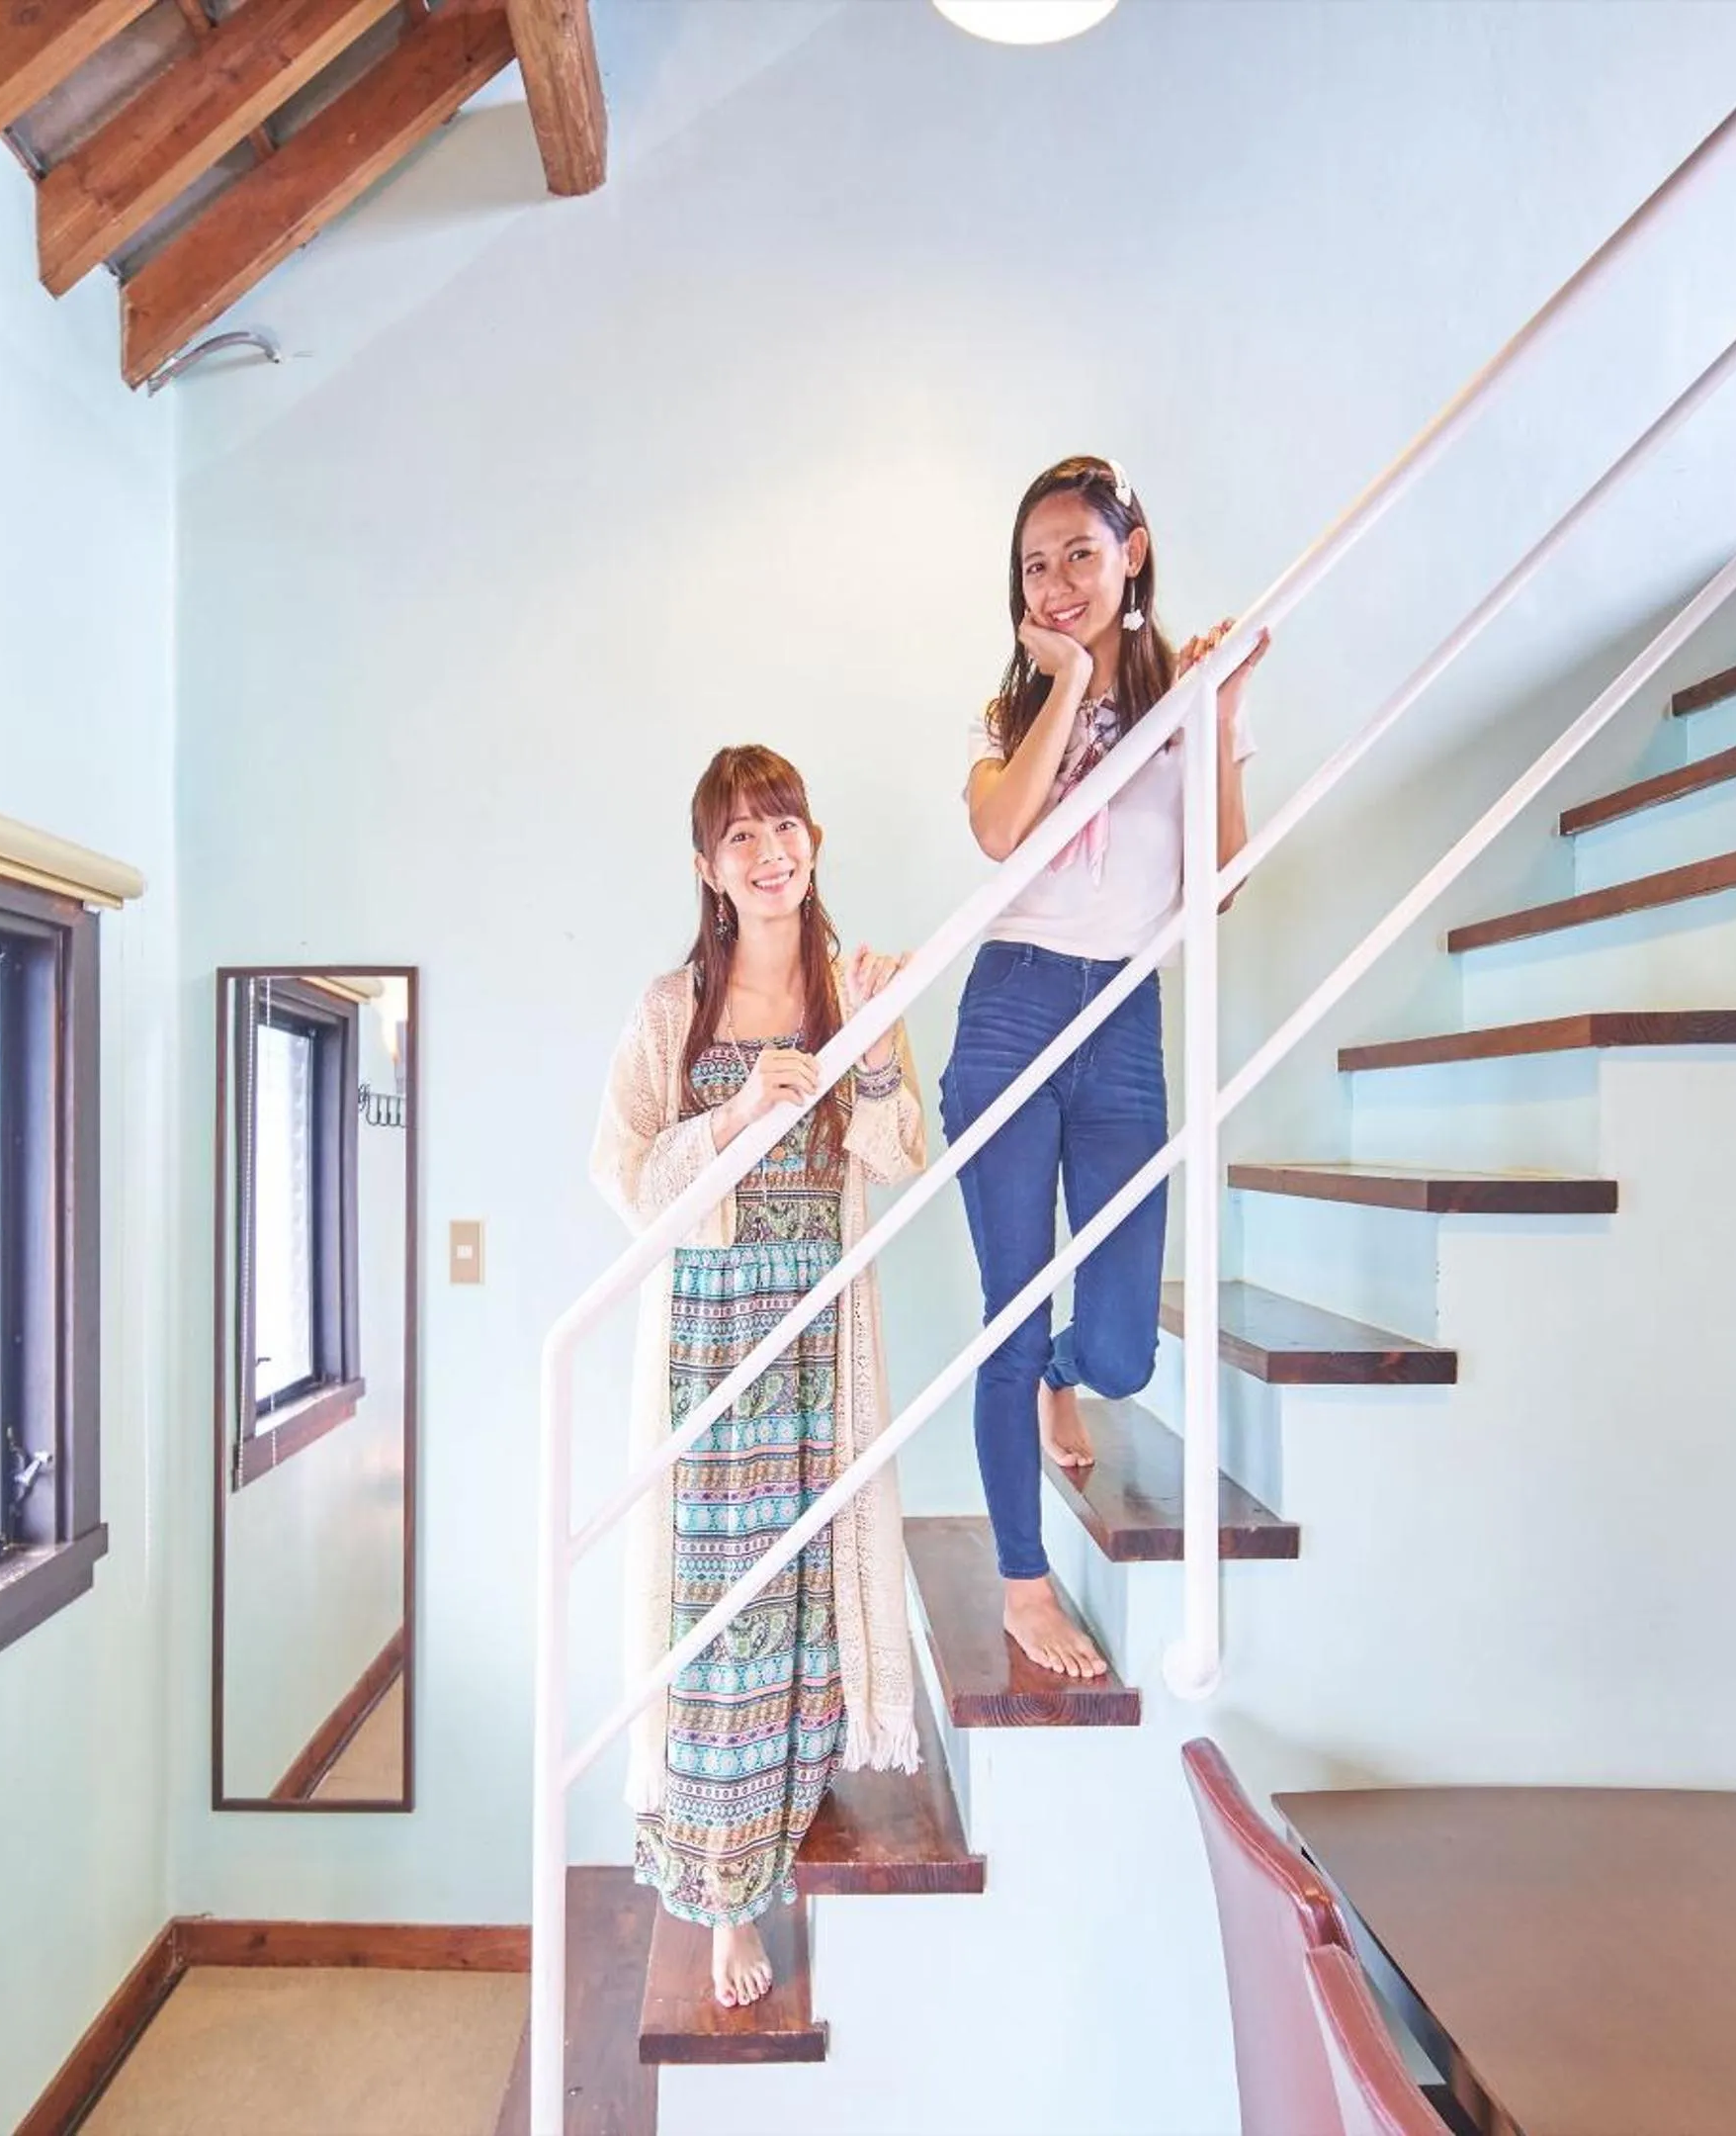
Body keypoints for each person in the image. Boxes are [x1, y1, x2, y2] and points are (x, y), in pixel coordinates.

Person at [592, 745, 926, 2008]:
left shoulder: (857, 984)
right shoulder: (671, 1008)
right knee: (719, 1623)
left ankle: (788, 1825)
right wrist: (732, 1121)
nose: (769, 849)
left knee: (808, 1605)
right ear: (708, 869)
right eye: (741, 835)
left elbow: (895, 1155)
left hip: (823, 1335)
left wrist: (881, 1049)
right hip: (710, 1342)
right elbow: (623, 1179)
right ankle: (726, 1895)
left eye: (783, 823)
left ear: (815, 840)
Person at [941, 454, 1268, 1678]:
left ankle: (1064, 1376)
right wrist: (1069, 678)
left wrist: (1222, 722)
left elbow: (1219, 890)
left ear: (1133, 552)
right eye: (1035, 564)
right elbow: (998, 829)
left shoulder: (1187, 704)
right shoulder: (1009, 720)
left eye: (1081, 551)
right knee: (1009, 1314)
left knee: (1125, 1348)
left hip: (1124, 1018)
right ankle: (1025, 1585)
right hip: (1013, 1009)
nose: (1060, 578)